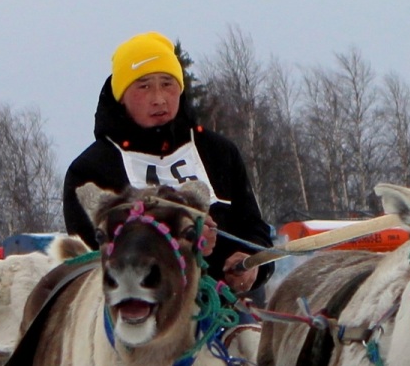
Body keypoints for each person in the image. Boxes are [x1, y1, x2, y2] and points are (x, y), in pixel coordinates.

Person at [62, 32, 272, 297]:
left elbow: (254, 228)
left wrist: (252, 264)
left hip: (225, 309)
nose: (159, 98)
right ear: (121, 96)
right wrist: (183, 245)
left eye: (167, 83)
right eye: (144, 85)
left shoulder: (218, 152)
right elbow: (88, 262)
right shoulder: (91, 170)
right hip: (134, 313)